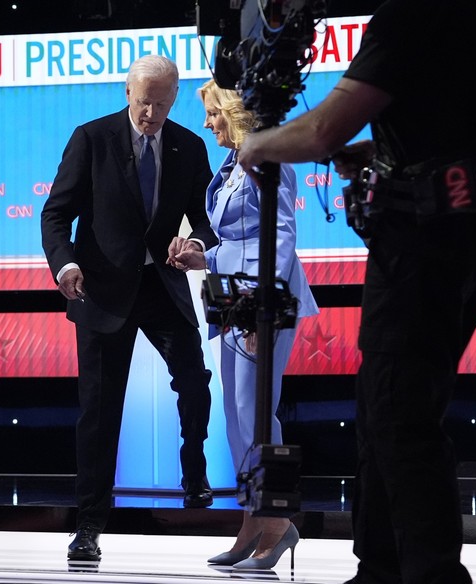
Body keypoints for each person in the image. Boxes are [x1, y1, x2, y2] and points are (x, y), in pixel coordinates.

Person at [236, 1, 476, 582]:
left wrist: (256, 146)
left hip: (427, 241)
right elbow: (456, 122)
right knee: (384, 409)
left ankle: (428, 573)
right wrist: (386, 153)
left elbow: (322, 130)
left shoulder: (412, 15)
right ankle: (380, 568)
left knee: (400, 415)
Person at [41, 54, 219, 562]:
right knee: (99, 413)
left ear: (174, 99)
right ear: (127, 93)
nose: (152, 114)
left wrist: (196, 247)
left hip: (162, 287)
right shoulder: (91, 138)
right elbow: (56, 215)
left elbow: (206, 221)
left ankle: (194, 471)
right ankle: (89, 525)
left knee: (193, 380)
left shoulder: (189, 146)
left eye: (162, 104)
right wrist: (65, 266)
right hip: (100, 291)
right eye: (145, 103)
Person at [172, 79, 318, 570]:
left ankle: (277, 520)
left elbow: (279, 237)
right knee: (236, 416)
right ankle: (254, 519)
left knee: (255, 412)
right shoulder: (234, 164)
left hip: (262, 302)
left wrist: (261, 302)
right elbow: (239, 236)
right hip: (233, 301)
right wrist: (203, 255)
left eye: (213, 113)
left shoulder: (267, 160)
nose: (207, 123)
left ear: (232, 112)